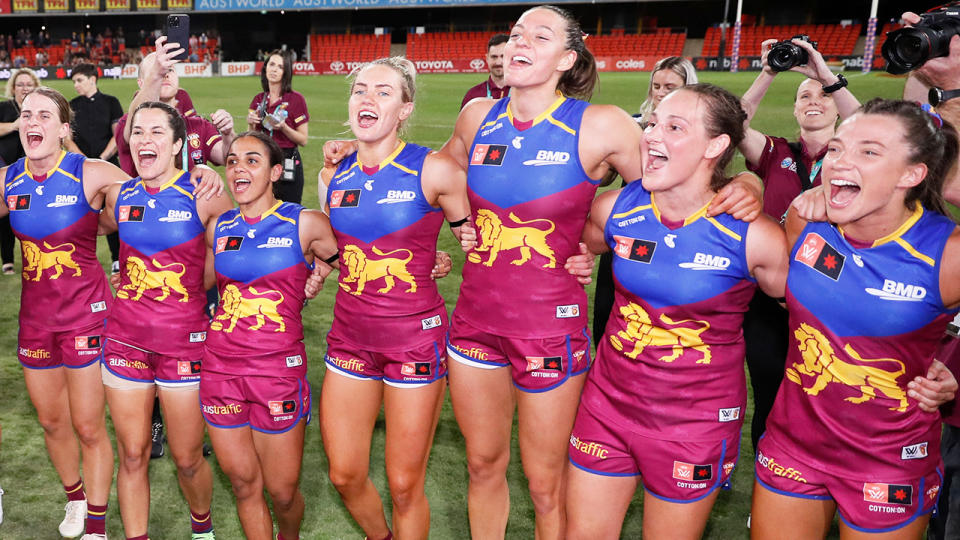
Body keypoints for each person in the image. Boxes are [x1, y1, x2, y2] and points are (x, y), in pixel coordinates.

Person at [565, 83, 789, 540]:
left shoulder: (755, 238)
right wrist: (579, 260)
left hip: (695, 423)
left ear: (717, 145)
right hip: (606, 406)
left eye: (674, 127)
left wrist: (754, 181)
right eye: (651, 123)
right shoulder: (614, 209)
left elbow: (819, 317)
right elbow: (578, 245)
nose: (650, 135)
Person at [752, 98, 960, 539]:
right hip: (793, 448)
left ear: (912, 175)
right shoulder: (805, 225)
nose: (840, 163)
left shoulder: (946, 254)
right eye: (837, 149)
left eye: (869, 151)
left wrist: (955, 370)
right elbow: (811, 311)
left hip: (889, 461)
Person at [319, 57, 469, 540]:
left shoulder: (435, 169)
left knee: (405, 485)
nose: (367, 99)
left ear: (405, 110)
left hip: (414, 342)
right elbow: (342, 252)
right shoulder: (333, 176)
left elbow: (484, 239)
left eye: (383, 92)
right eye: (360, 90)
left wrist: (438, 259)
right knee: (344, 474)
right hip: (349, 340)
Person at [99, 100, 232, 540]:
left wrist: (192, 284)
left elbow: (238, 256)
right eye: (138, 132)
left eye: (157, 132)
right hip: (124, 344)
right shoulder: (121, 195)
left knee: (188, 457)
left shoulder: (204, 195)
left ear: (178, 144)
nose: (144, 141)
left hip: (185, 346)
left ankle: (202, 529)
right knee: (132, 454)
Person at [201, 131, 338, 540]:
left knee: (281, 491)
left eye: (252, 161)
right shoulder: (219, 226)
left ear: (276, 171)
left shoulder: (305, 222)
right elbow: (201, 282)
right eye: (233, 161)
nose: (239, 168)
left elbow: (355, 262)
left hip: (276, 372)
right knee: (244, 485)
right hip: (220, 370)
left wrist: (322, 272)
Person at [0, 86, 121, 540]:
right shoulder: (10, 179)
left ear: (63, 129)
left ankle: (95, 525)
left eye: (45, 115)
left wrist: (203, 174)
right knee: (52, 421)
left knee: (89, 425)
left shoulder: (90, 173)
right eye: (26, 114)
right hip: (35, 321)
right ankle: (75, 498)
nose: (33, 122)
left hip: (86, 317)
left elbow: (153, 191)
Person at [737, 37, 860, 454]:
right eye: (804, 95)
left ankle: (817, 485)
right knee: (770, 389)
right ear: (792, 108)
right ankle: (770, 486)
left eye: (822, 96)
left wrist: (825, 77)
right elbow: (732, 125)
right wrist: (770, 71)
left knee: (826, 393)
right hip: (771, 294)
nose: (814, 100)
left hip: (832, 293)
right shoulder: (775, 152)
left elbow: (867, 122)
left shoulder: (854, 154)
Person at [592, 55, 700, 344]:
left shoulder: (701, 135)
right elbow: (604, 178)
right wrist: (596, 162)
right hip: (624, 231)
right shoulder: (633, 127)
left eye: (671, 86)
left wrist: (748, 182)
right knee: (605, 315)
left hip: (672, 235)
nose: (662, 93)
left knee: (659, 319)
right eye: (657, 86)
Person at [65, 62, 125, 273]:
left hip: (109, 166)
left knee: (113, 210)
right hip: (79, 168)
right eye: (74, 82)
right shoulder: (71, 105)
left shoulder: (111, 102)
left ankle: (117, 258)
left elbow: (117, 135)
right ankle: (75, 258)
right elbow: (67, 139)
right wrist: (84, 162)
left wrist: (101, 159)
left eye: (79, 80)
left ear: (93, 79)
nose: (76, 85)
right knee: (77, 214)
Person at [247, 50, 309, 204]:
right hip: (263, 161)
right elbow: (251, 138)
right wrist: (251, 123)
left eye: (280, 67)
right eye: (271, 64)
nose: (274, 69)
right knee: (262, 208)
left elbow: (303, 139)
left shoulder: (296, 99)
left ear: (286, 72)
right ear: (265, 68)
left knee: (289, 211)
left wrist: (284, 128)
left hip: (286, 160)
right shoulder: (258, 100)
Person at [0, 68, 37, 275]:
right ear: (13, 88)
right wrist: (14, 125)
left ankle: (33, 258)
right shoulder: (4, 107)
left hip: (32, 170)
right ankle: (8, 260)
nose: (25, 88)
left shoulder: (40, 109)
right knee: (4, 214)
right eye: (21, 84)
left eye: (29, 84)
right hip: (5, 167)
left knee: (30, 215)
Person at [460, 33, 509, 109]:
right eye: (494, 57)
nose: (498, 62)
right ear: (487, 58)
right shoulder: (473, 95)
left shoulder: (524, 94)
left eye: (503, 56)